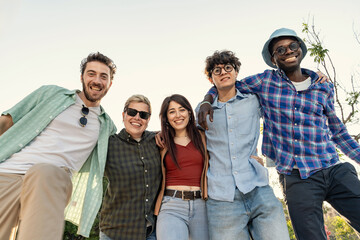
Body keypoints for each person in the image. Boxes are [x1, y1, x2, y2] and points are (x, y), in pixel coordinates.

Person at [199, 28, 360, 240]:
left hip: (332, 168)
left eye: (292, 46)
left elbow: (338, 132)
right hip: (297, 177)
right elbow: (227, 84)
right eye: (280, 50)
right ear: (273, 59)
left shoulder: (323, 87)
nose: (288, 52)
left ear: (300, 50)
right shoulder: (265, 82)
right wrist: (206, 101)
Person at [0, 52, 117, 240]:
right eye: (91, 74)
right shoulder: (50, 94)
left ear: (110, 84)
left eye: (104, 77)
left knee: (45, 172)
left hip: (52, 178)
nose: (97, 80)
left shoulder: (107, 127)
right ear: (82, 77)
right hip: (8, 173)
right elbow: (6, 121)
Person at [195, 51, 289, 240]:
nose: (223, 72)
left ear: (236, 72)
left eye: (228, 68)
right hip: (221, 197)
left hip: (258, 188)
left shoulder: (254, 101)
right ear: (211, 78)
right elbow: (187, 138)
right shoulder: (202, 110)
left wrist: (313, 75)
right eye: (217, 70)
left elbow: (284, 91)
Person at [99, 94, 162, 240]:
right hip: (114, 232)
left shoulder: (156, 141)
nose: (137, 118)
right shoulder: (109, 144)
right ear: (123, 115)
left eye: (143, 114)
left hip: (149, 232)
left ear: (148, 119)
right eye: (132, 112)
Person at [154, 94, 209, 240]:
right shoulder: (161, 142)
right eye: (172, 111)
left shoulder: (203, 137)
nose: (178, 115)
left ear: (190, 113)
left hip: (202, 206)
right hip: (171, 205)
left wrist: (251, 157)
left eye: (182, 109)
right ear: (166, 117)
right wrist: (157, 134)